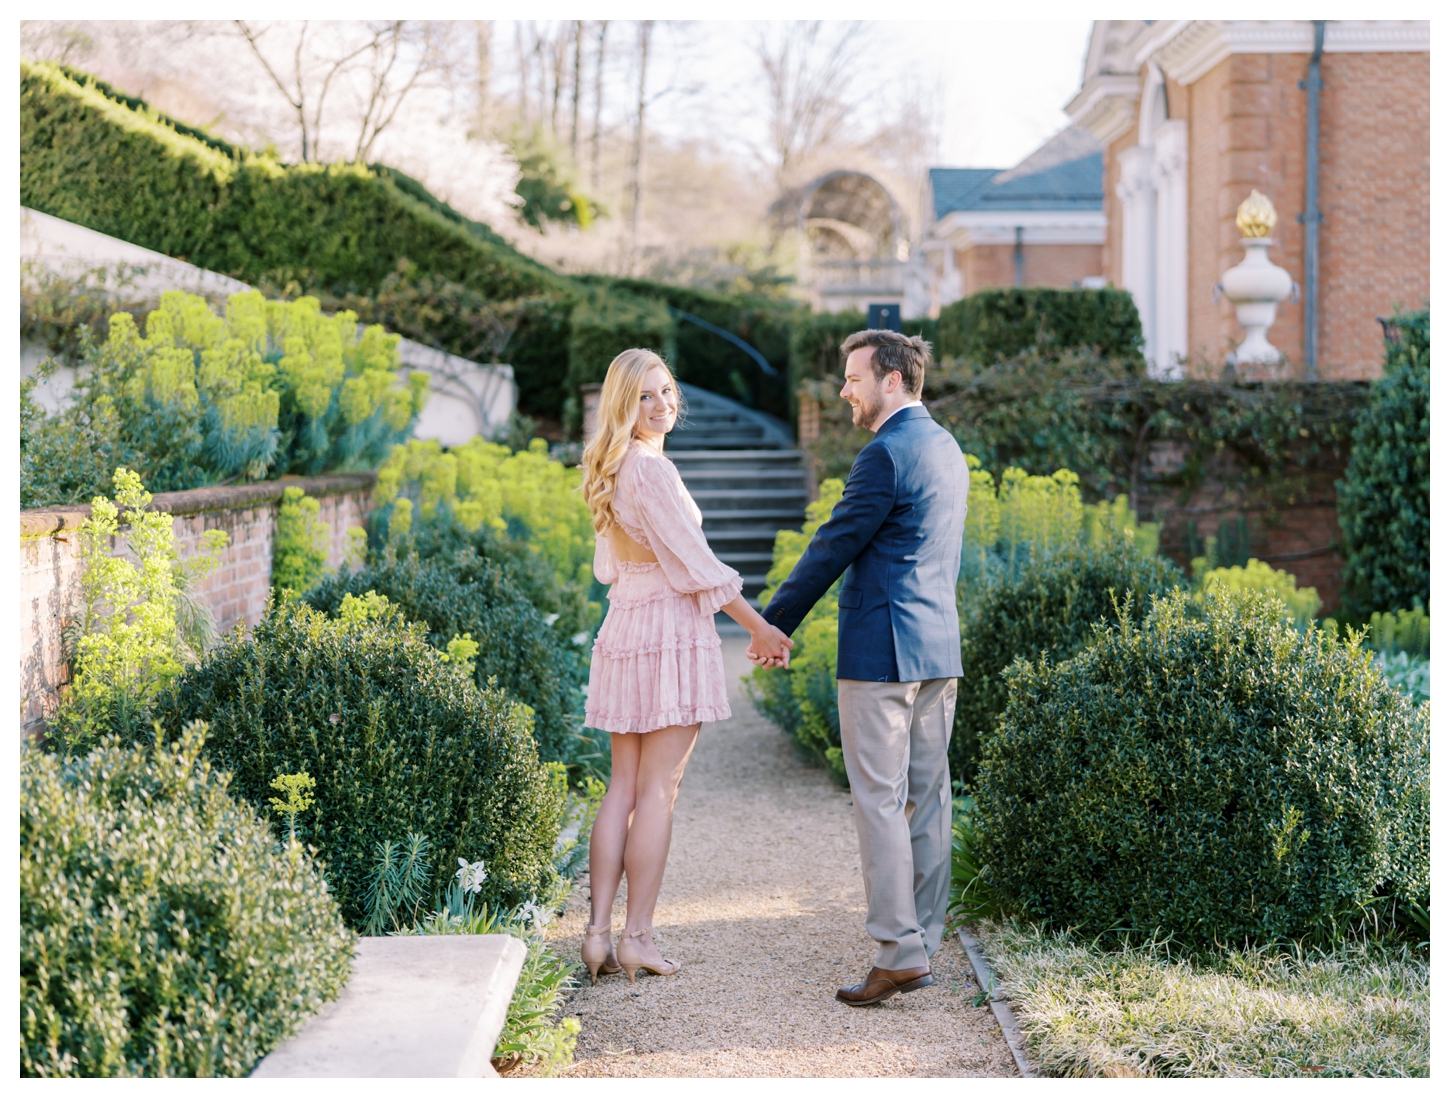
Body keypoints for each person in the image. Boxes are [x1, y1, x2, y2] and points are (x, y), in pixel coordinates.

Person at [753, 329, 968, 1006]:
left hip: (882, 656)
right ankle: (920, 945)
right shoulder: (946, 447)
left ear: (893, 381)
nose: (844, 390)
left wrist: (771, 621)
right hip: (937, 651)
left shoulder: (885, 455)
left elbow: (834, 544)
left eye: (853, 378)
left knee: (879, 801)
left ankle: (898, 953)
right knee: (928, 802)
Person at [578, 347, 794, 984]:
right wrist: (762, 629)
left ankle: (597, 935)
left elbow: (611, 567)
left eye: (667, 391)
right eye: (645, 396)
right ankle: (636, 936)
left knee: (622, 786)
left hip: (625, 625)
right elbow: (698, 569)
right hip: (667, 631)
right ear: (623, 405)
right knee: (656, 792)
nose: (662, 405)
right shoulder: (651, 471)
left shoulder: (612, 466)